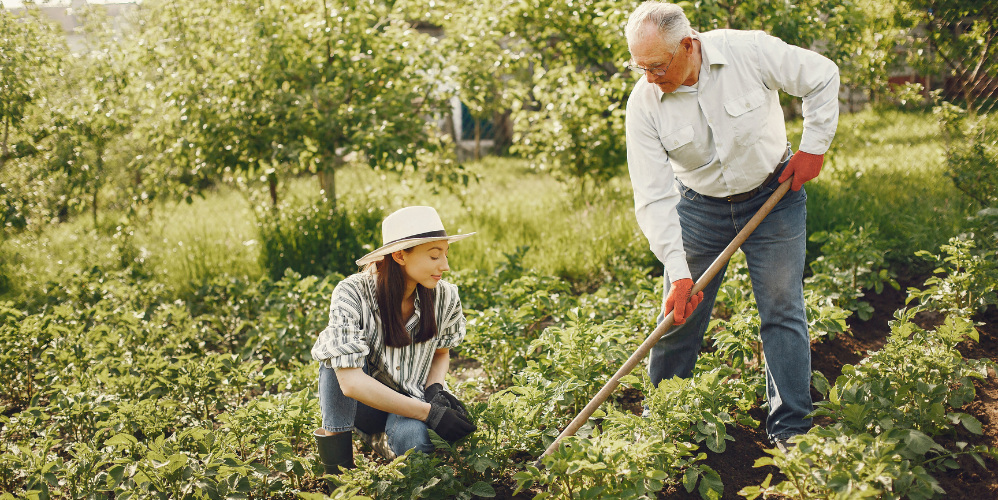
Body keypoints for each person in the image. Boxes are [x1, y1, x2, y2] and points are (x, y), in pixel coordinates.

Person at [623, 2, 839, 451]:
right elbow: (654, 194)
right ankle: (664, 422)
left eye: (657, 66)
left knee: (782, 310)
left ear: (688, 45)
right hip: (698, 209)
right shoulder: (644, 104)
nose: (649, 78)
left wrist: (813, 148)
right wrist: (679, 271)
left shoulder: (748, 51)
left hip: (773, 195)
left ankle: (792, 429)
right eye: (639, 67)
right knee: (679, 316)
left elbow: (822, 75)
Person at [310, 206, 477, 485]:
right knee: (334, 358)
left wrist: (434, 389)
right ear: (400, 255)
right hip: (363, 406)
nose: (445, 266)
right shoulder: (352, 293)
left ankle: (384, 444)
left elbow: (441, 352)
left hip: (411, 399)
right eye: (435, 255)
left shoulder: (446, 296)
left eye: (446, 254)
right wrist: (430, 413)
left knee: (416, 447)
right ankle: (337, 473)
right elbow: (350, 384)